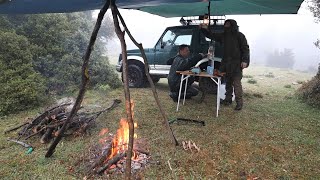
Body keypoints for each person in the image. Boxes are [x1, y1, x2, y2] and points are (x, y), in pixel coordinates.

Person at [200, 19, 250, 110]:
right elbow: (211, 35)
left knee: (236, 84)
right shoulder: (224, 36)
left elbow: (245, 49)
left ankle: (239, 103)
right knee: (228, 83)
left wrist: (245, 61)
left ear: (233, 25)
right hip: (226, 63)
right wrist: (203, 29)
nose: (226, 26)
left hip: (236, 64)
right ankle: (228, 99)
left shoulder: (240, 36)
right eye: (225, 24)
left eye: (228, 24)